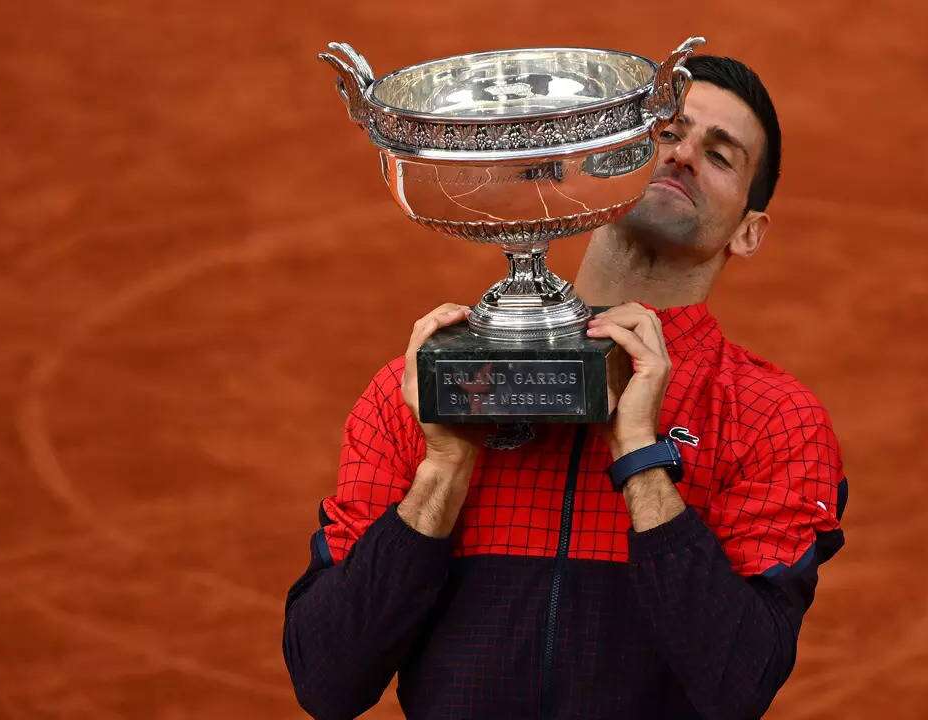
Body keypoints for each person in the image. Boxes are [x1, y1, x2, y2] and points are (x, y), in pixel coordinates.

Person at [282, 55, 848, 720]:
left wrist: (640, 458)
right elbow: (327, 681)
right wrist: (442, 469)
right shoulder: (423, 388)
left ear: (749, 233)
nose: (683, 156)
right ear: (596, 164)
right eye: (665, 133)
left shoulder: (774, 418)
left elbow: (737, 684)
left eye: (720, 155)